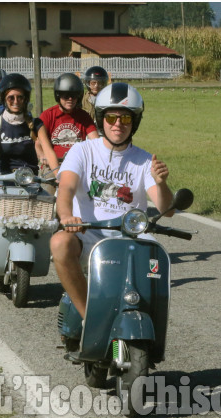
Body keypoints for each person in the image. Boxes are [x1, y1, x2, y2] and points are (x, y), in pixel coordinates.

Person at [50, 82, 174, 320]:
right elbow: (66, 187)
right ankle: (89, 317)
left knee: (159, 260)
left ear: (134, 122)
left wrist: (161, 183)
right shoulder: (82, 151)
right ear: (100, 119)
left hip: (130, 237)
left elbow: (166, 210)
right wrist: (66, 216)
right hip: (88, 234)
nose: (118, 124)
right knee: (59, 244)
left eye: (126, 119)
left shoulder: (145, 160)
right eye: (111, 117)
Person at [0, 73, 39, 195]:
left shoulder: (35, 124)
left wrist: (58, 174)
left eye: (20, 97)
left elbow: (44, 149)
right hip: (2, 175)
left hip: (29, 176)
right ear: (4, 98)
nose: (16, 101)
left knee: (42, 202)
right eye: (11, 98)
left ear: (26, 99)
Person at [36, 73, 98, 193]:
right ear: (58, 95)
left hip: (78, 164)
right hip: (53, 164)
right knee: (46, 193)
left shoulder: (84, 117)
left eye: (74, 96)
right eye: (66, 96)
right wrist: (42, 155)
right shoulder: (48, 115)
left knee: (88, 193)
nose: (70, 99)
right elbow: (39, 143)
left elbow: (95, 140)